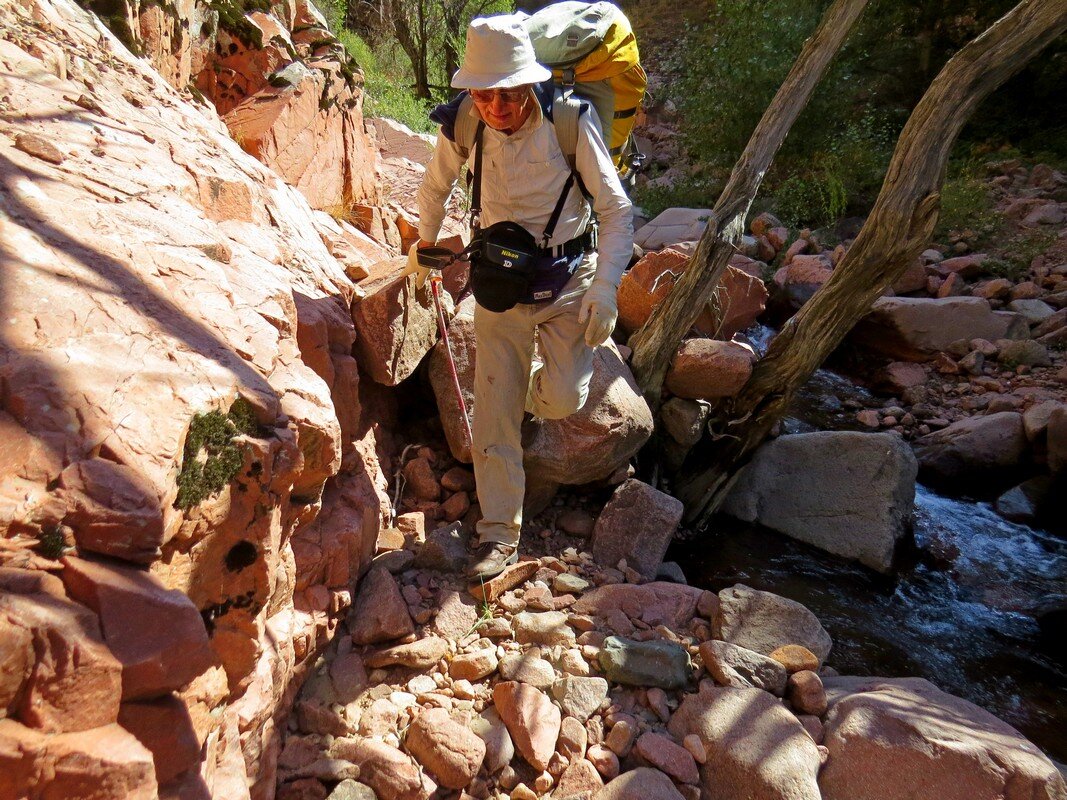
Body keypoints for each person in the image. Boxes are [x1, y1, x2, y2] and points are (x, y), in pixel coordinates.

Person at [408, 14, 633, 579]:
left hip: (567, 277)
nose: (497, 108)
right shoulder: (464, 121)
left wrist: (605, 291)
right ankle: (499, 533)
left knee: (562, 399)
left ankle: (530, 396)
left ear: (529, 84)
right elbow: (435, 185)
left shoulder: (568, 121)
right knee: (493, 415)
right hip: (499, 284)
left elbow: (616, 209)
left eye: (508, 94)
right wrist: (425, 244)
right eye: (484, 95)